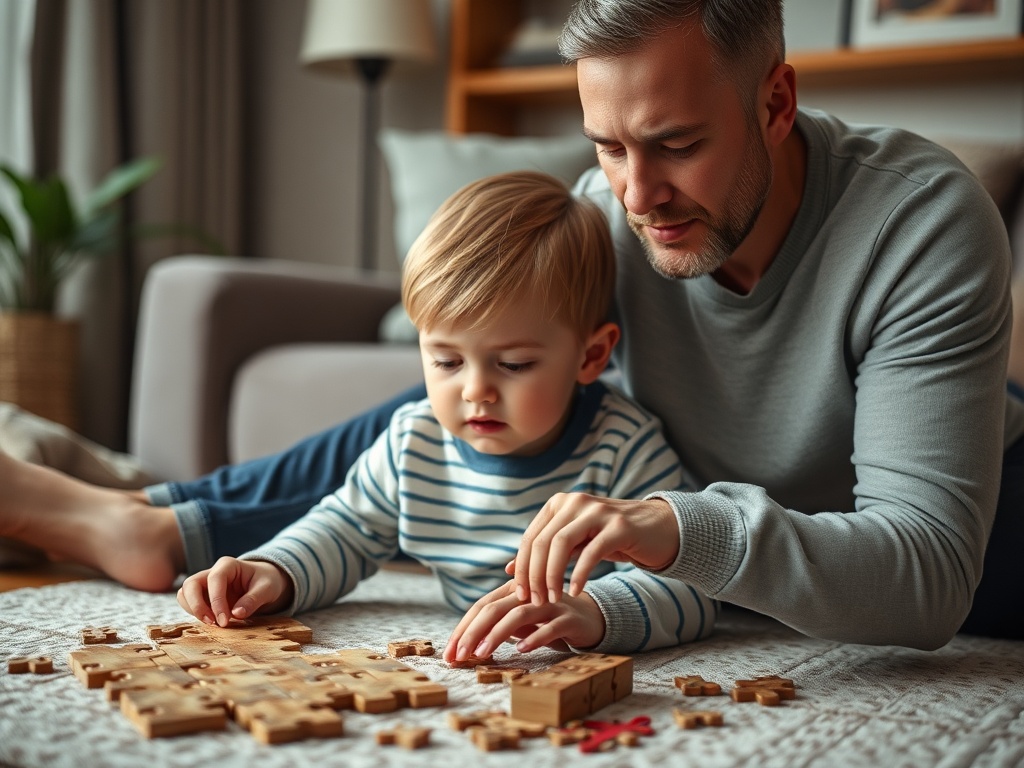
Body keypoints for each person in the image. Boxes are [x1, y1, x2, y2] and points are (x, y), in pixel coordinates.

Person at [1, 0, 1021, 649]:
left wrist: (675, 526)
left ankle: (159, 519)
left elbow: (923, 579)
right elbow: (453, 410)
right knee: (479, 387)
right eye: (607, 147)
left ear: (776, 100)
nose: (636, 192)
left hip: (970, 523)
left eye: (673, 144)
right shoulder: (606, 211)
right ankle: (164, 522)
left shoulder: (915, 221)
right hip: (694, 510)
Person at [173, 170, 716, 657]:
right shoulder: (415, 439)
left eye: (514, 363)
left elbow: (690, 590)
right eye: (447, 360)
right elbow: (346, 529)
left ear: (592, 356)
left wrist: (592, 614)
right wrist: (276, 570)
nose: (476, 390)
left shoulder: (625, 446)